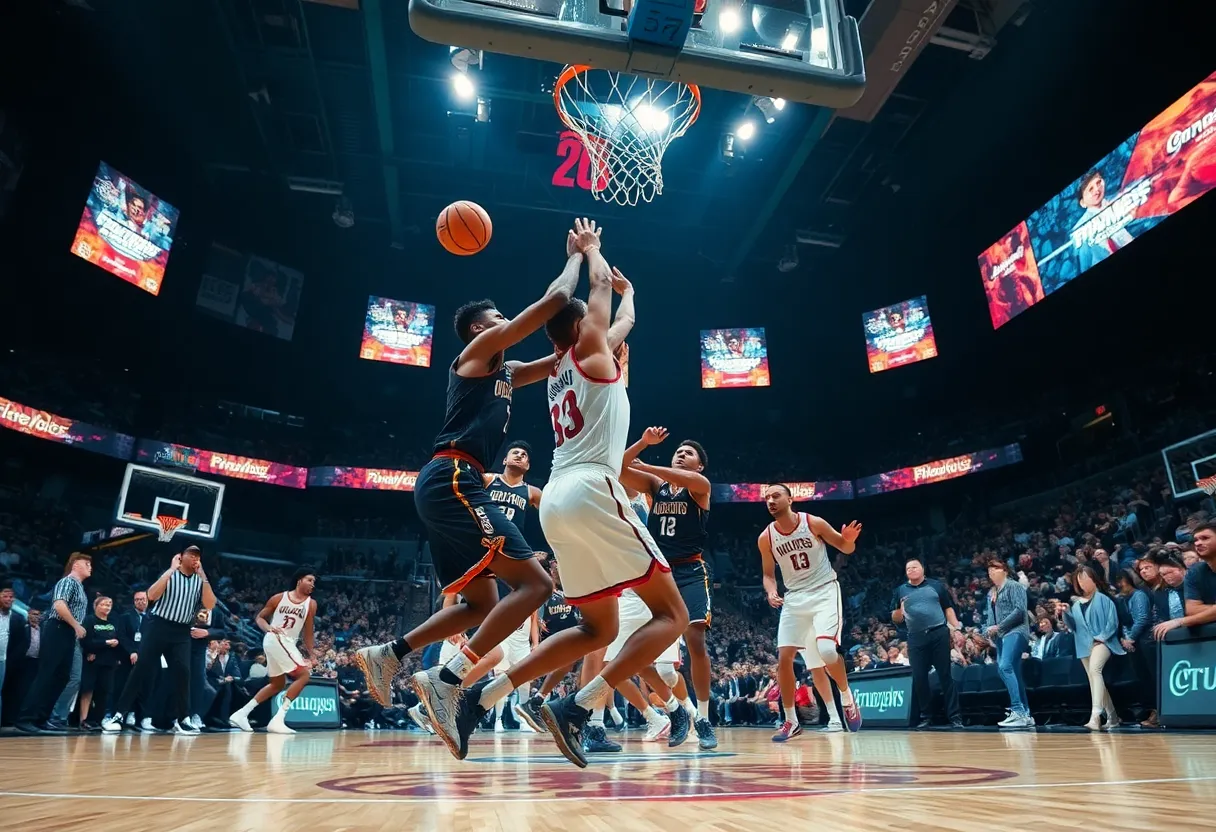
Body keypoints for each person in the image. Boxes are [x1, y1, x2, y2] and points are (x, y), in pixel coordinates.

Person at [458, 223, 688, 769]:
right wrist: (591, 251)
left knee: (597, 628)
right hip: (592, 487)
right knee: (673, 615)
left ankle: (481, 697)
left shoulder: (565, 363)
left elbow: (623, 320)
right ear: (583, 325)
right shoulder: (590, 347)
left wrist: (629, 294)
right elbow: (600, 287)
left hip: (557, 499)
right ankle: (579, 706)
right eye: (594, 318)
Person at [354, 223, 586, 756]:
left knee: (480, 603)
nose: (505, 321)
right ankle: (447, 679)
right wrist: (576, 256)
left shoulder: (506, 371)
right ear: (481, 328)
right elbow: (552, 302)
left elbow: (562, 360)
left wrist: (610, 331)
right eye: (499, 317)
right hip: (455, 477)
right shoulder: (478, 353)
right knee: (537, 585)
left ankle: (389, 654)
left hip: (449, 483)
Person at [619, 426, 718, 750]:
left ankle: (703, 718)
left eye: (689, 453)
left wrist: (648, 465)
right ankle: (676, 712)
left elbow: (684, 479)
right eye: (678, 451)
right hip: (658, 573)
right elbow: (618, 468)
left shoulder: (700, 487)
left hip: (690, 570)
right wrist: (643, 444)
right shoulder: (655, 486)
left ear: (699, 465)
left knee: (696, 639)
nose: (681, 454)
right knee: (636, 650)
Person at [758, 483, 863, 742]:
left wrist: (849, 540)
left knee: (827, 650)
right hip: (794, 597)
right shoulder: (765, 537)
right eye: (767, 498)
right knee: (784, 657)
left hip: (824, 590)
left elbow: (844, 547)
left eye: (776, 496)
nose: (770, 501)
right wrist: (771, 591)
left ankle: (847, 697)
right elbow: (768, 574)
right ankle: (791, 721)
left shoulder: (812, 522)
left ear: (790, 499)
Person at [102, 546, 215, 735]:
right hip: (159, 626)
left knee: (183, 673)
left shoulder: (199, 581)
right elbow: (151, 596)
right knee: (140, 669)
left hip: (182, 631)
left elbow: (210, 604)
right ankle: (118, 715)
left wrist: (203, 574)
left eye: (198, 555)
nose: (195, 558)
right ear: (181, 557)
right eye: (191, 554)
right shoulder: (170, 575)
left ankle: (183, 719)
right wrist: (171, 569)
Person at [229, 568, 318, 734]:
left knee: (277, 684)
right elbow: (260, 618)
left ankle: (241, 714)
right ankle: (278, 719)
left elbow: (308, 632)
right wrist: (269, 628)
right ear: (299, 580)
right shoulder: (279, 598)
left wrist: (311, 654)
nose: (313, 584)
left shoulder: (311, 604)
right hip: (276, 638)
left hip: (287, 642)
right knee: (304, 675)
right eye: (309, 580)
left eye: (314, 581)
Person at [15, 553, 92, 734]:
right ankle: (25, 718)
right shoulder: (68, 582)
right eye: (86, 563)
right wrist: (76, 625)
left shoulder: (80, 587)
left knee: (62, 676)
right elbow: (59, 605)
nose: (90, 567)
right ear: (75, 565)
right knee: (46, 674)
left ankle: (42, 718)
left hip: (67, 633)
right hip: (58, 629)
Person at [891, 557, 963, 729]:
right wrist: (900, 610)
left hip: (938, 633)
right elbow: (895, 617)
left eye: (914, 567)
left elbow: (948, 608)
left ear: (922, 569)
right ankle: (925, 716)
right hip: (915, 637)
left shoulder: (936, 586)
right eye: (908, 568)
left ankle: (955, 717)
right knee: (920, 677)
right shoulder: (900, 590)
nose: (911, 570)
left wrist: (956, 629)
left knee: (945, 675)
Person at [1054, 564, 1124, 730]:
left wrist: (1102, 637)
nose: (1083, 582)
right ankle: (1113, 717)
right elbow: (1073, 627)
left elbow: (1112, 622)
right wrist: (1065, 613)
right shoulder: (1076, 605)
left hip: (1104, 642)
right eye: (1079, 580)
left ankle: (1095, 716)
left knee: (1095, 671)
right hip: (1083, 645)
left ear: (1094, 579)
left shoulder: (1104, 599)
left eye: (1085, 578)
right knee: (1094, 679)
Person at [982, 557, 1033, 729]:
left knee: (1005, 666)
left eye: (995, 569)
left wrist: (999, 626)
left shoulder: (1014, 586)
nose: (991, 572)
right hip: (1001, 636)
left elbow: (1020, 611)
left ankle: (1017, 710)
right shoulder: (992, 593)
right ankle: (1025, 713)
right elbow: (990, 617)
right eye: (989, 571)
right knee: (1012, 671)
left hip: (1016, 631)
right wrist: (988, 630)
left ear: (1004, 570)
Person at [1153, 522, 1216, 639]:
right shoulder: (1195, 571)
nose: (1198, 543)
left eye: (1205, 538)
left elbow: (1193, 613)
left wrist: (1181, 621)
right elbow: (1192, 610)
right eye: (1196, 540)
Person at [78, 595, 122, 730]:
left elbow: (119, 639)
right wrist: (106, 643)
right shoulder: (89, 620)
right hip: (93, 661)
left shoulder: (113, 621)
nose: (106, 607)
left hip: (109, 662)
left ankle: (98, 719)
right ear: (95, 606)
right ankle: (83, 719)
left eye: (109, 604)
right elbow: (86, 640)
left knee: (104, 692)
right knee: (88, 690)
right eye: (103, 604)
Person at [1, 585, 30, 728]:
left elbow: (22, 643)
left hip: (6, 660)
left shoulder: (18, 618)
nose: (8, 599)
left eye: (11, 597)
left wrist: (12, 660)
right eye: (5, 596)